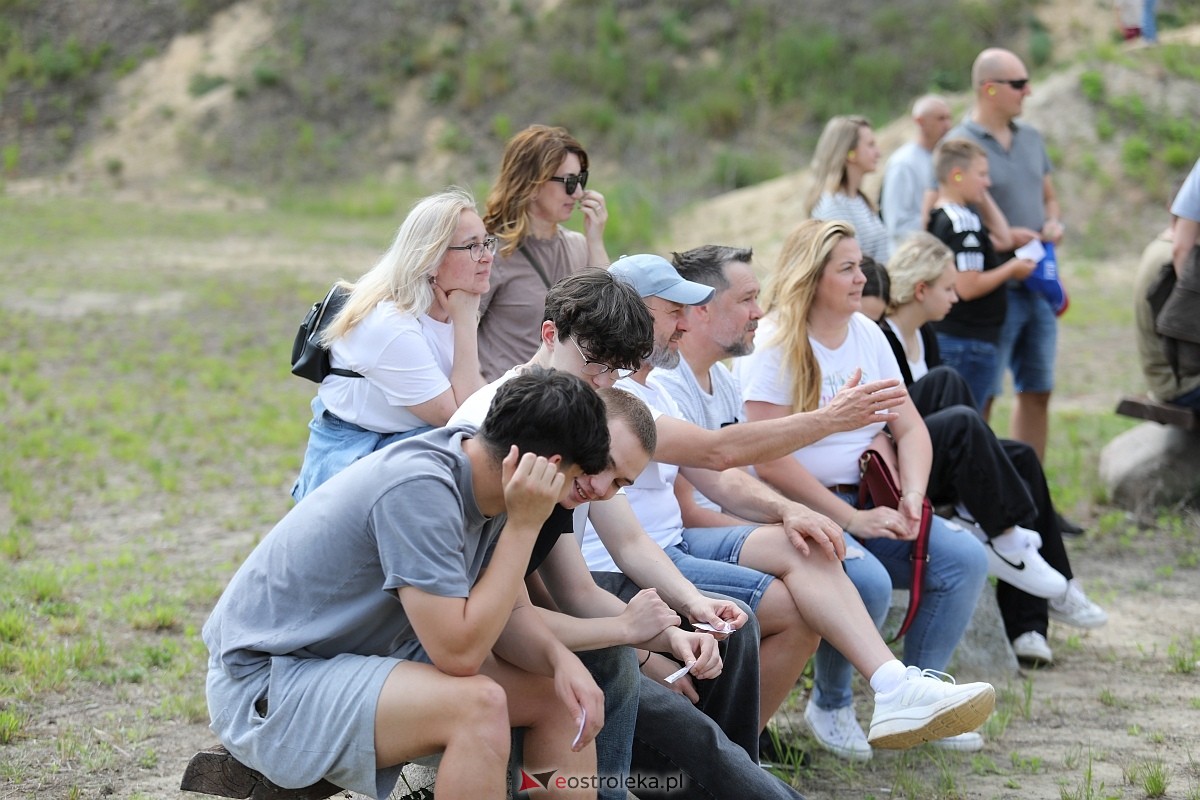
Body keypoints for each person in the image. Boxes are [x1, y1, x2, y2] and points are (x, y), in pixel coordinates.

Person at [587, 252, 996, 759]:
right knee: (796, 603)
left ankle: (890, 687)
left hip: (665, 548)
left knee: (807, 544)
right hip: (635, 561)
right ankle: (732, 759)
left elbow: (721, 478)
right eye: (674, 312)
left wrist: (788, 511)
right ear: (638, 313)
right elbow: (719, 453)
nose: (684, 323)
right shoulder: (618, 395)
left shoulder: (656, 389)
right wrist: (828, 421)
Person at [449, 269, 803, 800]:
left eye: (611, 375)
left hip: (556, 613)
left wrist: (688, 612)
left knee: (726, 641)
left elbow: (608, 554)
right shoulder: (507, 425)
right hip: (490, 636)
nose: (599, 386)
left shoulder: (576, 420)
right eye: (592, 369)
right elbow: (513, 608)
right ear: (550, 337)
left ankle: (731, 771)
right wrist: (639, 644)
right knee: (673, 723)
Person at [204, 369, 613, 799]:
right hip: (269, 684)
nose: (584, 489)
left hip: (355, 657)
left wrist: (558, 660)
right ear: (545, 468)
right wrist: (524, 527)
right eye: (576, 477)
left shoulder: (493, 479)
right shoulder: (421, 489)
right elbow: (459, 654)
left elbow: (507, 615)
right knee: (476, 706)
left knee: (561, 702)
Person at [734, 221, 992, 760]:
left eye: (861, 265)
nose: (864, 278)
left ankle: (922, 699)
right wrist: (849, 522)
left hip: (875, 495)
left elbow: (912, 428)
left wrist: (913, 497)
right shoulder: (779, 338)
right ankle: (830, 705)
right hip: (801, 506)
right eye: (848, 268)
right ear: (813, 276)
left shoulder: (867, 333)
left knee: (963, 557)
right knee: (868, 582)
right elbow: (766, 456)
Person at [881, 233, 1108, 666]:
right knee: (950, 388)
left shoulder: (924, 337)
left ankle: (1030, 622)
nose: (955, 297)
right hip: (899, 466)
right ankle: (987, 523)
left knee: (1021, 456)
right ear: (921, 289)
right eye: (948, 289)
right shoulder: (881, 335)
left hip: (931, 455)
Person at [291, 187, 490, 500]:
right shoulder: (390, 323)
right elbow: (459, 417)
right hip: (353, 455)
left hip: (404, 444)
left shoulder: (450, 305)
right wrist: (466, 324)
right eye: (472, 246)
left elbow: (478, 404)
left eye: (487, 243)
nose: (488, 256)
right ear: (432, 258)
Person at [948, 48, 1064, 462]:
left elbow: (1050, 198)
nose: (1028, 91)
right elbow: (951, 213)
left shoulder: (1032, 138)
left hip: (1039, 282)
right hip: (993, 286)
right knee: (984, 392)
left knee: (1038, 387)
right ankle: (977, 491)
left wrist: (1054, 223)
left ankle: (1029, 492)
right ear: (989, 88)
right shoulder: (958, 144)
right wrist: (1003, 239)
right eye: (1019, 84)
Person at [478, 124, 611, 380]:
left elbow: (608, 321)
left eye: (581, 180)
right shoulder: (490, 252)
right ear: (532, 183)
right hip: (509, 403)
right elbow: (455, 339)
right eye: (569, 182)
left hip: (566, 402)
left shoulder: (579, 246)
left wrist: (595, 241)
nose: (579, 193)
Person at [927, 137, 1035, 411]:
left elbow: (1002, 236)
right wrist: (1011, 269)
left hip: (958, 340)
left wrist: (977, 192)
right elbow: (967, 286)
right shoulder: (963, 223)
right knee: (964, 428)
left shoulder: (945, 214)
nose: (988, 183)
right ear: (957, 175)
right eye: (982, 175)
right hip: (966, 343)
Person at [806, 115, 890, 263]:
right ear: (850, 154)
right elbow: (845, 265)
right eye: (870, 145)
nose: (878, 153)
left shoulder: (859, 200)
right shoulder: (833, 207)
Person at [880, 94, 953, 251]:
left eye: (949, 118)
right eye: (941, 119)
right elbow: (897, 225)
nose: (948, 125)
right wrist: (941, 223)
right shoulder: (903, 164)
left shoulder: (945, 158)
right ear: (920, 121)